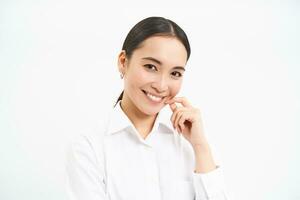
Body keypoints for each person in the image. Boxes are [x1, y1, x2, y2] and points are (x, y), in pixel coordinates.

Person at [66, 16, 230, 200]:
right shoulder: (89, 147)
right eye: (151, 67)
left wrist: (200, 146)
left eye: (175, 73)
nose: (161, 85)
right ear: (123, 62)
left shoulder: (192, 143)